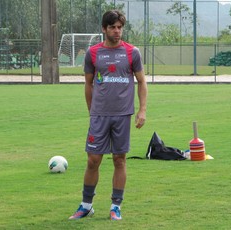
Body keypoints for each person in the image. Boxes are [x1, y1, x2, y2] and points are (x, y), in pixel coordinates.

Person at [69, 10, 148, 221]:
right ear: (104, 29)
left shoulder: (132, 52)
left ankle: (115, 206)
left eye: (120, 27)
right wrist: (91, 111)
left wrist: (142, 110)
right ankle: (86, 205)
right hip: (99, 115)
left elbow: (141, 82)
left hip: (123, 115)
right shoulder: (93, 53)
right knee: (93, 160)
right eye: (112, 27)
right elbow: (88, 84)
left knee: (119, 160)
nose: (117, 31)